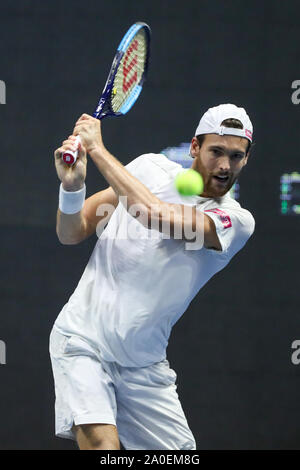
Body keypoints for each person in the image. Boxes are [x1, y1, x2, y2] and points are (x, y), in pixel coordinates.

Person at [49, 103, 255, 450]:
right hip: (82, 340)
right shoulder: (147, 169)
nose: (224, 166)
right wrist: (72, 188)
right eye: (216, 151)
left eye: (236, 156)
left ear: (246, 159)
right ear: (194, 147)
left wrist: (97, 149)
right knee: (104, 448)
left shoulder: (234, 221)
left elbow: (153, 214)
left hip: (144, 366)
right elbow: (72, 231)